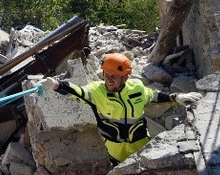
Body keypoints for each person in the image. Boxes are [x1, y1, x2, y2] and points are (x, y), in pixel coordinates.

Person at [30, 53, 201, 166]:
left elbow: (153, 96)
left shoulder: (136, 88)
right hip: (116, 155)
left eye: (114, 76)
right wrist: (55, 84)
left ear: (125, 77)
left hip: (144, 147)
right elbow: (78, 92)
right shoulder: (97, 91)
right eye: (106, 74)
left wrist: (176, 98)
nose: (108, 80)